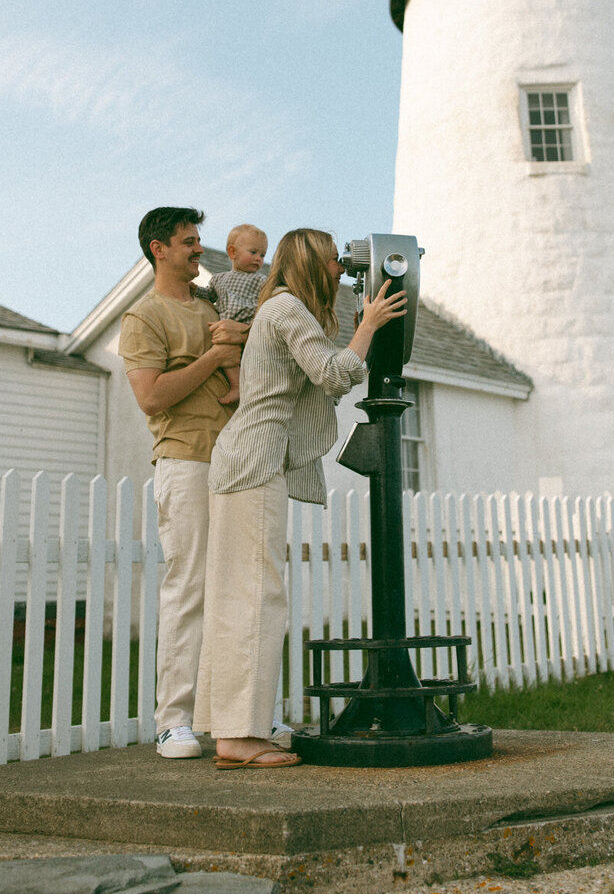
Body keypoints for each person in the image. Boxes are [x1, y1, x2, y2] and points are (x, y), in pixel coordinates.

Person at [193, 228, 407, 769]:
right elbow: (334, 374)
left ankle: (230, 731)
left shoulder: (279, 309)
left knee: (235, 596)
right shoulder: (288, 309)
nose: (343, 269)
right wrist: (369, 326)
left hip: (241, 461)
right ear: (311, 263)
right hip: (256, 463)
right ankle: (240, 737)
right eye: (334, 261)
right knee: (258, 596)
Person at [118, 207, 247, 758]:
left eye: (200, 241)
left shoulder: (217, 304)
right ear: (159, 249)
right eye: (189, 242)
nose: (200, 250)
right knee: (188, 588)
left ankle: (237, 719)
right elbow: (151, 396)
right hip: (186, 461)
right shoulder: (143, 318)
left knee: (238, 591)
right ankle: (173, 721)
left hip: (238, 462)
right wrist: (215, 355)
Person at [207, 224, 268, 405]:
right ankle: (236, 385)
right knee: (226, 353)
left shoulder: (260, 280)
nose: (258, 259)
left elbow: (266, 302)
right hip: (226, 327)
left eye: (262, 255)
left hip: (246, 325)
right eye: (253, 252)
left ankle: (251, 388)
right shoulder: (218, 279)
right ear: (233, 252)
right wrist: (195, 290)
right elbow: (210, 295)